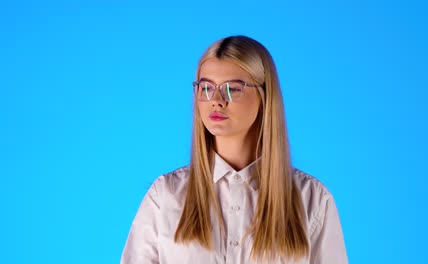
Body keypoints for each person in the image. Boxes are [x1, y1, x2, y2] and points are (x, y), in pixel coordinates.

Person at [121, 35, 348, 264]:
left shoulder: (312, 200)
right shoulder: (165, 196)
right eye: (206, 88)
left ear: (264, 96)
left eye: (232, 89)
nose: (216, 100)